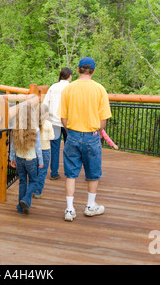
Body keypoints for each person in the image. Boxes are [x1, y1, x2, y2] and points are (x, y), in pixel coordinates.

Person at [58, 57, 112, 221]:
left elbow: (63, 118)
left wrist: (71, 131)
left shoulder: (68, 89)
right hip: (92, 135)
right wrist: (96, 130)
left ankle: (69, 209)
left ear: (78, 69)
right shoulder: (100, 89)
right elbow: (103, 120)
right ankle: (90, 206)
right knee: (93, 173)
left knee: (71, 174)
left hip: (73, 135)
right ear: (93, 71)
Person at [9, 101, 44, 214]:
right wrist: (41, 160)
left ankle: (20, 208)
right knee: (34, 181)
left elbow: (13, 144)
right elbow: (38, 146)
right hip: (31, 160)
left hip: (19, 159)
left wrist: (12, 158)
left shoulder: (16, 127)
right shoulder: (34, 128)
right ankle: (25, 200)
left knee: (23, 181)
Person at [42, 67, 73, 180]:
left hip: (54, 121)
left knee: (55, 148)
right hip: (68, 122)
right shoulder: (71, 88)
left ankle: (54, 173)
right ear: (69, 76)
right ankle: (69, 172)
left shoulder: (53, 87)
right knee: (69, 147)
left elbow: (45, 104)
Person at [33, 104, 54, 198]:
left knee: (34, 171)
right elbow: (52, 137)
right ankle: (38, 192)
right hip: (45, 150)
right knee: (42, 171)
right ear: (46, 114)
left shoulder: (33, 123)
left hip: (34, 150)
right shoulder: (49, 124)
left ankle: (32, 189)